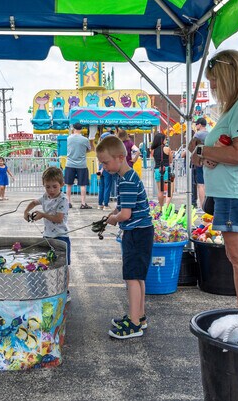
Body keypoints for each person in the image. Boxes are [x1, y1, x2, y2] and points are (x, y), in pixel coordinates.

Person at [190, 49, 238, 309]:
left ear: (229, 76)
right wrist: (214, 155)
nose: (212, 86)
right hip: (233, 194)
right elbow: (232, 150)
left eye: (215, 79)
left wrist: (203, 151)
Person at [96, 136, 153, 339]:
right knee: (138, 276)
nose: (103, 166)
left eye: (105, 162)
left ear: (120, 157)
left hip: (136, 232)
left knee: (132, 278)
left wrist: (113, 218)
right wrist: (116, 210)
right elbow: (124, 206)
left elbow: (126, 215)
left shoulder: (126, 180)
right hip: (141, 231)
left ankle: (134, 323)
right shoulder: (126, 177)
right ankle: (139, 315)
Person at [23, 166, 71, 298]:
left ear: (62, 184)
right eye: (47, 187)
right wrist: (26, 211)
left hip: (61, 238)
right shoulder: (45, 197)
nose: (51, 190)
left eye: (54, 186)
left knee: (64, 267)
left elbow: (59, 219)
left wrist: (43, 215)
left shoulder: (63, 200)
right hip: (47, 237)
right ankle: (49, 288)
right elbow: (34, 202)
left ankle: (65, 291)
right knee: (47, 263)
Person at [64, 123, 94, 209]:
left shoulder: (69, 138)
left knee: (68, 184)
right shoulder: (85, 140)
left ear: (73, 128)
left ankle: (68, 202)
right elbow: (89, 149)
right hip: (82, 165)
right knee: (82, 185)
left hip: (69, 164)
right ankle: (83, 203)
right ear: (81, 129)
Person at [187, 117, 209, 210]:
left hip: (199, 162)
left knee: (200, 184)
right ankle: (207, 206)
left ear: (199, 125)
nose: (196, 126)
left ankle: (202, 206)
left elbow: (190, 147)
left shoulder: (197, 135)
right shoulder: (210, 134)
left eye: (196, 124)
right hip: (209, 161)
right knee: (207, 184)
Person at [150, 132, 173, 209]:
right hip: (166, 170)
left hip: (157, 170)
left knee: (160, 190)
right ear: (162, 140)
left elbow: (153, 159)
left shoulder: (153, 150)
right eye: (165, 139)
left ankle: (161, 206)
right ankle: (165, 208)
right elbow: (170, 160)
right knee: (169, 190)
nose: (166, 140)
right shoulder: (167, 148)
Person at [97, 131, 114, 210]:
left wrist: (99, 169)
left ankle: (100, 204)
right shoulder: (108, 148)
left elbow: (98, 160)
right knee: (107, 187)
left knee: (101, 187)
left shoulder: (99, 148)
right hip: (106, 168)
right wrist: (103, 168)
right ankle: (106, 205)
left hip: (100, 168)